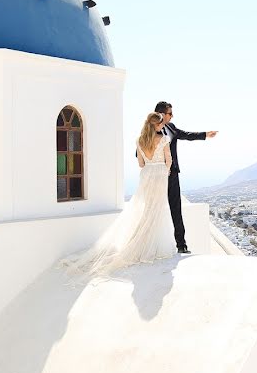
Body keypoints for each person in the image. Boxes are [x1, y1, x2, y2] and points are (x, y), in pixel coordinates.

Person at [64, 112, 176, 278]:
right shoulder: (164, 139)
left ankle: (143, 243)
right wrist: (164, 172)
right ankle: (152, 247)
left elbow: (140, 163)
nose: (162, 126)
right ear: (156, 125)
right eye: (160, 124)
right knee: (157, 209)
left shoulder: (139, 141)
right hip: (160, 174)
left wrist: (150, 167)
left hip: (146, 174)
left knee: (147, 210)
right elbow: (169, 160)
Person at [154, 101, 217, 253]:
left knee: (176, 209)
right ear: (162, 114)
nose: (172, 115)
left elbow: (186, 135)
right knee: (154, 209)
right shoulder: (149, 131)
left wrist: (205, 135)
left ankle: (181, 245)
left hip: (173, 174)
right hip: (157, 177)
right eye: (170, 113)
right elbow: (141, 153)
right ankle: (152, 245)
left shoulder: (171, 127)